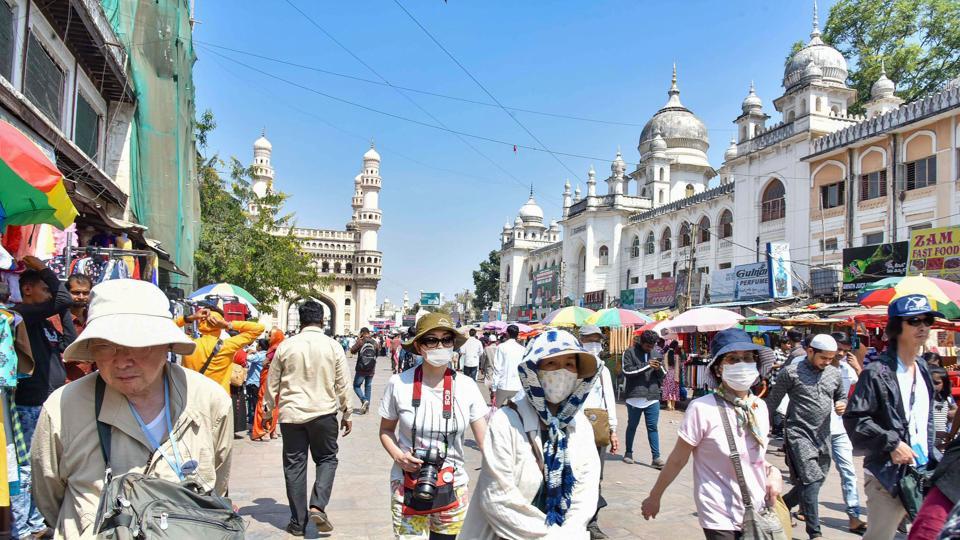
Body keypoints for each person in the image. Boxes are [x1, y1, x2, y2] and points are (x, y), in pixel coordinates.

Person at [30, 279, 233, 539]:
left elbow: (218, 482)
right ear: (92, 349)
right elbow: (49, 498)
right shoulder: (62, 407)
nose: (123, 360)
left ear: (166, 345)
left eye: (139, 344)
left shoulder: (209, 401)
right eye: (105, 345)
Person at [641, 329, 783, 539]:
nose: (742, 364)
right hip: (719, 513)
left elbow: (756, 456)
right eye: (732, 359)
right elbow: (678, 459)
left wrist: (774, 473)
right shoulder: (702, 408)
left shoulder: (758, 407)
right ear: (718, 369)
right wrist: (655, 496)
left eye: (747, 358)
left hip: (758, 507)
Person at [460, 329, 600, 539]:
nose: (561, 372)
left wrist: (569, 532)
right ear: (534, 370)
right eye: (552, 363)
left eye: (570, 364)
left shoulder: (580, 425)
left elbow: (585, 493)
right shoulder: (506, 421)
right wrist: (552, 536)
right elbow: (498, 499)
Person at [378, 313, 488, 539]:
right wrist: (399, 457)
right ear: (418, 346)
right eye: (431, 340)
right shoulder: (398, 384)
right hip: (408, 484)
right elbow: (386, 430)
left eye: (446, 340)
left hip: (454, 484)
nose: (440, 346)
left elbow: (485, 441)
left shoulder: (467, 387)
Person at [843, 295, 940, 540]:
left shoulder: (923, 368)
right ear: (897, 326)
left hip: (923, 472)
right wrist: (893, 443)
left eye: (927, 320)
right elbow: (855, 419)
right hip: (888, 476)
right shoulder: (877, 372)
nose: (923, 327)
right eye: (914, 321)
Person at [264, 301, 353, 536]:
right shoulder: (333, 346)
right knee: (327, 459)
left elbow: (272, 382)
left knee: (294, 466)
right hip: (323, 413)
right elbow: (343, 383)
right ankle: (317, 505)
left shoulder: (286, 346)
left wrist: (266, 411)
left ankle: (297, 522)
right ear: (322, 320)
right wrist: (348, 411)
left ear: (300, 320)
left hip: (292, 415)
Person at [12, 256, 76, 539]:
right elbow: (63, 297)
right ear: (28, 290)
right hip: (30, 402)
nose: (49, 295)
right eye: (44, 289)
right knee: (28, 465)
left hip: (48, 401)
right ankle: (24, 526)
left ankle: (39, 521)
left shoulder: (43, 324)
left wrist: (62, 313)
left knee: (48, 463)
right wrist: (45, 270)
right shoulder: (23, 314)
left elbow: (69, 341)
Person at [766, 334, 846, 539]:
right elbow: (772, 402)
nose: (827, 362)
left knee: (815, 481)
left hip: (823, 435)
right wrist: (761, 428)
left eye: (831, 358)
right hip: (798, 434)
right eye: (824, 358)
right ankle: (815, 532)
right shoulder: (791, 373)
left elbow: (841, 395)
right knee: (811, 480)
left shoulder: (834, 374)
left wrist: (841, 404)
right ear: (810, 351)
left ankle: (781, 504)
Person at [579, 325, 618, 540]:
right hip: (573, 428)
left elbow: (609, 400)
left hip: (597, 429)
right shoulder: (572, 366)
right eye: (589, 340)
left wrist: (613, 430)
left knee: (596, 476)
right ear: (580, 340)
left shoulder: (603, 370)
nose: (594, 344)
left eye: (597, 340)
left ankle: (592, 522)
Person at [828, 332, 867, 534]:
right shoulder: (815, 366)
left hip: (840, 428)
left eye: (845, 350)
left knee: (848, 472)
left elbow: (866, 388)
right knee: (814, 476)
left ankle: (854, 517)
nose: (840, 354)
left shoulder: (846, 369)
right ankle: (795, 505)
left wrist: (858, 367)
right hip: (816, 430)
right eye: (838, 350)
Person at [176, 303, 264, 392]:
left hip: (191, 397)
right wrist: (228, 325)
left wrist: (189, 318)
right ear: (219, 324)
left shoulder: (188, 343)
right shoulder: (227, 346)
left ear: (200, 322)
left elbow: (164, 327)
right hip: (219, 400)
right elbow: (259, 328)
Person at [621, 330, 665, 468]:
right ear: (641, 342)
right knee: (632, 426)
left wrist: (658, 369)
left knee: (653, 427)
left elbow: (662, 376)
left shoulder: (657, 354)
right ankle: (628, 453)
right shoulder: (629, 353)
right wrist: (647, 365)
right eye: (647, 346)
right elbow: (627, 372)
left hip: (652, 396)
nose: (650, 348)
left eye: (652, 346)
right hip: (635, 396)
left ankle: (656, 458)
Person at [251, 328, 285, 441]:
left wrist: (267, 363)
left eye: (271, 335)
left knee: (263, 402)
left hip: (268, 379)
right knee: (275, 404)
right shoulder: (283, 348)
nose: (268, 338)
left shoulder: (273, 349)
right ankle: (272, 430)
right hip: (279, 380)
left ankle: (261, 430)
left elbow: (265, 362)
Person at [63, 274, 94, 383]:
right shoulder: (54, 321)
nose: (81, 297)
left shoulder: (93, 319)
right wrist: (74, 357)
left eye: (86, 293)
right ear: (66, 293)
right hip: (65, 383)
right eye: (76, 293)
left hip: (90, 382)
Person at [491, 325, 525, 405]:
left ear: (507, 334)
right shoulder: (523, 349)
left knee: (496, 410)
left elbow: (497, 368)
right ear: (517, 334)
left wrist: (494, 387)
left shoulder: (501, 347)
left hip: (503, 384)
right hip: (517, 386)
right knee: (514, 413)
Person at [350, 327, 379, 414]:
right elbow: (377, 354)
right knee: (368, 387)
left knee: (356, 386)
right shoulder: (375, 342)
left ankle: (364, 400)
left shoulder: (361, 341)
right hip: (371, 368)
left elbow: (352, 351)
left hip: (361, 368)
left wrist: (358, 341)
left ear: (362, 333)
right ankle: (367, 408)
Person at [930, 367, 956, 448]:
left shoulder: (947, 398)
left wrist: (951, 414)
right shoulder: (926, 399)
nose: (933, 386)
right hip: (930, 440)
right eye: (931, 382)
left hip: (943, 441)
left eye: (937, 383)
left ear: (944, 384)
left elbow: (955, 411)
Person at [246, 339, 268, 428]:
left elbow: (247, 358)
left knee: (253, 403)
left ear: (260, 347)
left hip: (254, 382)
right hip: (261, 382)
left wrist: (249, 352)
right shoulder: (266, 355)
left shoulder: (259, 355)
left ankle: (253, 422)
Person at [662, 341, 683, 411]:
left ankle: (669, 405)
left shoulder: (665, 354)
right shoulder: (677, 356)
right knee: (674, 390)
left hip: (668, 374)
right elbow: (679, 366)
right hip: (675, 374)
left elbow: (664, 365)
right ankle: (673, 406)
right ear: (676, 347)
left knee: (668, 389)